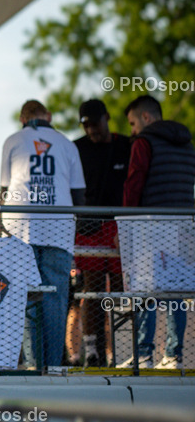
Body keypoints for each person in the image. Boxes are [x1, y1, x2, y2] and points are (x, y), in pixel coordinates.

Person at [0, 99, 86, 369]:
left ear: (23, 119)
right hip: (58, 230)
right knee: (56, 298)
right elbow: (79, 193)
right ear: (48, 116)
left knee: (20, 295)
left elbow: (2, 191)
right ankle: (53, 366)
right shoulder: (67, 143)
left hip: (18, 230)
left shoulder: (12, 140)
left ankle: (31, 364)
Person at [122, 95, 195, 369]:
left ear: (146, 118)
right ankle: (174, 355)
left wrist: (127, 222)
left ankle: (143, 353)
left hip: (151, 224)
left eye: (132, 123)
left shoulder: (144, 143)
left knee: (146, 288)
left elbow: (134, 182)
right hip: (184, 224)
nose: (132, 131)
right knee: (177, 289)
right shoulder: (188, 146)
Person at [71, 100, 130, 367]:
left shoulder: (126, 145)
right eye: (86, 125)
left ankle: (121, 348)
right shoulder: (77, 147)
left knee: (119, 288)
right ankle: (92, 350)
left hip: (120, 225)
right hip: (88, 226)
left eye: (95, 123)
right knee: (92, 289)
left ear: (107, 117)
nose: (91, 129)